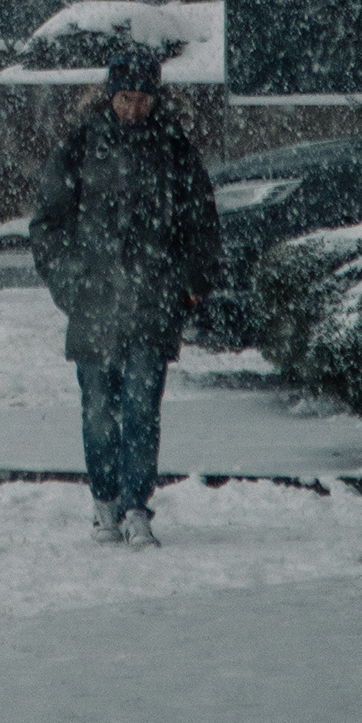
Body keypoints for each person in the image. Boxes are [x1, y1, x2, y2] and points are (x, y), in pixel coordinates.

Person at [28, 43, 224, 547]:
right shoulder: (79, 146)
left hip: (154, 302)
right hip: (94, 303)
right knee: (98, 410)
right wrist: (71, 284)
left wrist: (190, 285)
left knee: (141, 409)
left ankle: (137, 505)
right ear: (109, 95)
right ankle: (104, 503)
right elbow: (50, 224)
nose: (133, 108)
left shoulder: (175, 150)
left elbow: (201, 224)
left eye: (142, 98)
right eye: (125, 98)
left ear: (156, 98)